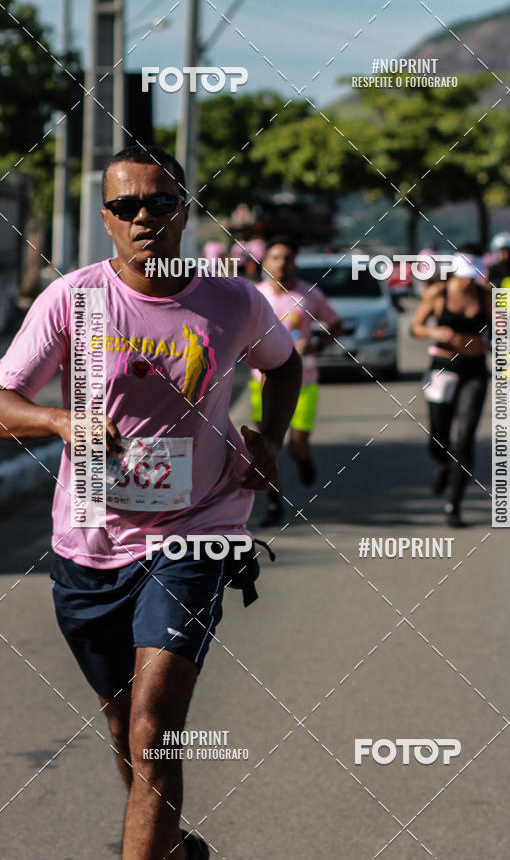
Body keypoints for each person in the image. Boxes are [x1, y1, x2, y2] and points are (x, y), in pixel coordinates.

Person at [0, 145, 302, 860]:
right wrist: (59, 421)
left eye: (160, 202)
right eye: (126, 206)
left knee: (154, 728)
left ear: (184, 209)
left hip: (195, 530)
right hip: (88, 546)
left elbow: (283, 367)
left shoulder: (233, 301)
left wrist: (272, 441)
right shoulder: (73, 299)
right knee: (124, 732)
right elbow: (4, 399)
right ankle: (168, 848)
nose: (144, 218)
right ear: (106, 218)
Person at [249, 236, 343, 527]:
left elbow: (336, 325)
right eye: (276, 258)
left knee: (296, 446)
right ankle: (275, 506)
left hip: (304, 379)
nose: (282, 263)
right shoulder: (255, 294)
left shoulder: (308, 294)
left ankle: (304, 459)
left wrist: (316, 345)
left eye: (287, 258)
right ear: (265, 264)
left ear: (295, 264)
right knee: (266, 447)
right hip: (262, 381)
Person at [411, 249, 491, 527]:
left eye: (475, 277)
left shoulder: (485, 295)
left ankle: (454, 505)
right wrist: (435, 332)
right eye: (466, 276)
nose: (470, 282)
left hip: (475, 371)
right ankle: (443, 464)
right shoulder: (438, 293)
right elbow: (416, 326)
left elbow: (501, 327)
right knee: (438, 437)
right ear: (455, 272)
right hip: (443, 367)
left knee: (465, 438)